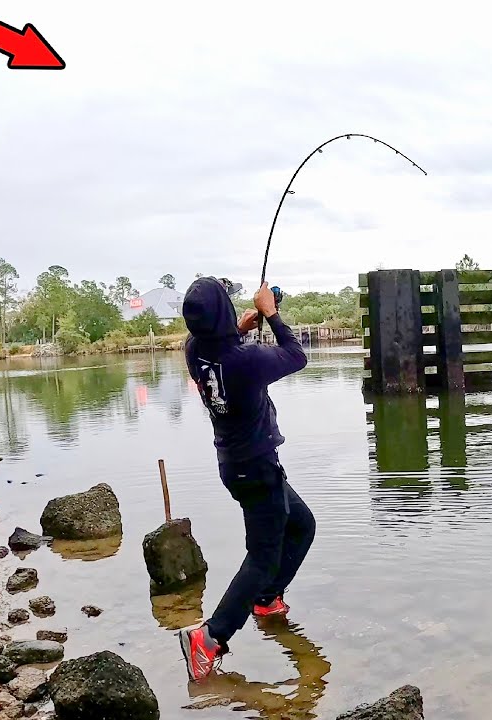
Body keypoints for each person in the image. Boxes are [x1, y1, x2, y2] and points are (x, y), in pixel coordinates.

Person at [176, 276, 315, 682]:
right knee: (262, 557)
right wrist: (271, 314)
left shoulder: (194, 350)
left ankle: (268, 599)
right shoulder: (246, 362)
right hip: (256, 469)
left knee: (302, 525)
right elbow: (296, 355)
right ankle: (210, 637)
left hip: (236, 465)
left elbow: (220, 345)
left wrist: (242, 327)